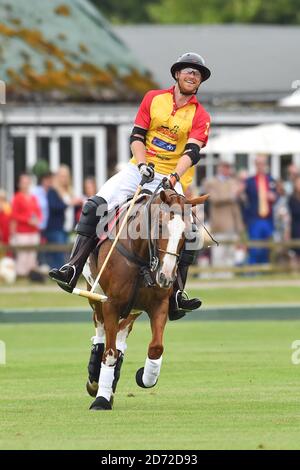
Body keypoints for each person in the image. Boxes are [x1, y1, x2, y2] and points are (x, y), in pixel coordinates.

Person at [49, 52, 212, 320]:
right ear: (176, 74)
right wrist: (142, 164)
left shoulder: (201, 115)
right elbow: (137, 135)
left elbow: (192, 153)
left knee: (190, 231)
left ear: (200, 81)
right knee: (94, 206)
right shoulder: (153, 98)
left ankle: (177, 294)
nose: (192, 75)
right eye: (187, 71)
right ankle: (73, 268)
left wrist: (172, 178)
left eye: (197, 73)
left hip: (173, 177)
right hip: (140, 168)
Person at [203, 161, 244, 277]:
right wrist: (232, 195)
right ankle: (218, 279)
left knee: (231, 255)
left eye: (228, 168)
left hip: (232, 225)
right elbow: (215, 199)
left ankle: (229, 280)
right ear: (219, 168)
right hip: (218, 225)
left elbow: (237, 206)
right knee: (218, 255)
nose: (227, 170)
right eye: (224, 167)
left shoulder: (232, 182)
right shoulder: (211, 182)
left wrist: (239, 227)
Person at [244, 155, 278, 264]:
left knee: (266, 246)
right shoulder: (249, 181)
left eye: (262, 163)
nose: (260, 166)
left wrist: (274, 196)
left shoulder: (271, 180)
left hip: (268, 219)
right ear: (255, 165)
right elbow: (244, 198)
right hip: (255, 219)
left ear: (266, 165)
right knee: (255, 247)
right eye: (258, 163)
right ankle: (254, 271)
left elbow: (277, 195)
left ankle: (265, 268)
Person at [10, 174, 42, 277]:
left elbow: (38, 212)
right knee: (22, 255)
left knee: (32, 255)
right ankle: (21, 275)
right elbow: (14, 215)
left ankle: (31, 275)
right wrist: (27, 220)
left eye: (27, 182)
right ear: (19, 184)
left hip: (33, 231)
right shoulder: (17, 197)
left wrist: (37, 219)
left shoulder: (33, 198)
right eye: (23, 182)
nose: (26, 184)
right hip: (22, 232)